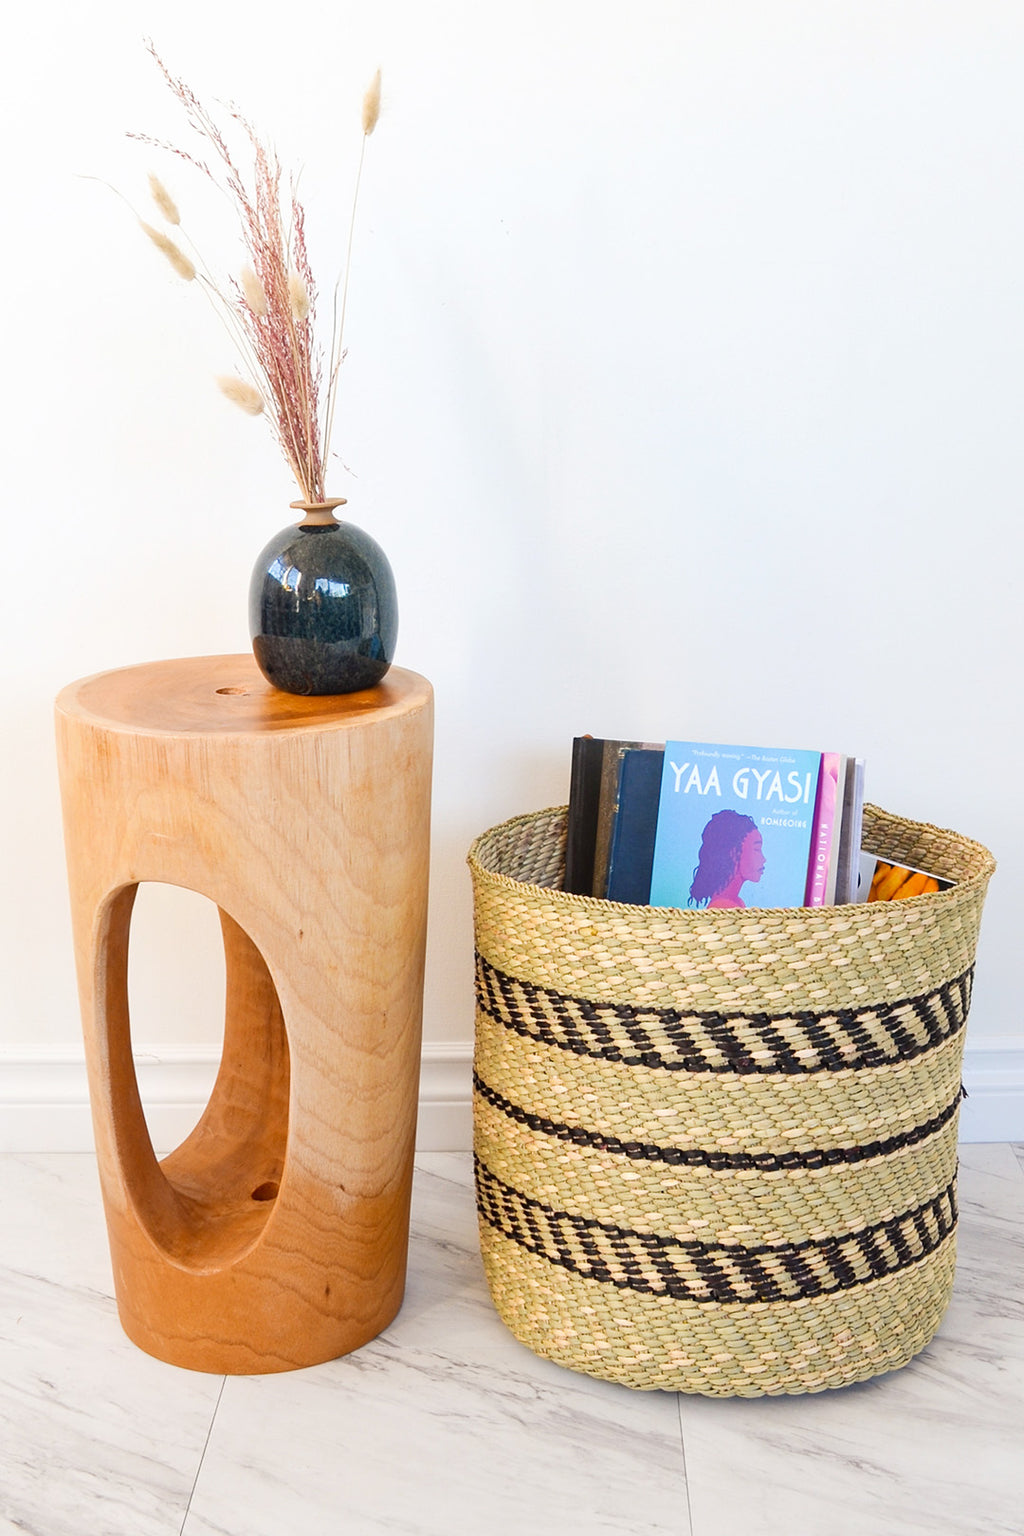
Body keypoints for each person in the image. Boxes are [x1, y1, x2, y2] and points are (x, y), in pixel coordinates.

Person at [689, 810, 766, 909]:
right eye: (757, 849)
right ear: (734, 853)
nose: (764, 859)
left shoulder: (736, 902)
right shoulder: (723, 906)